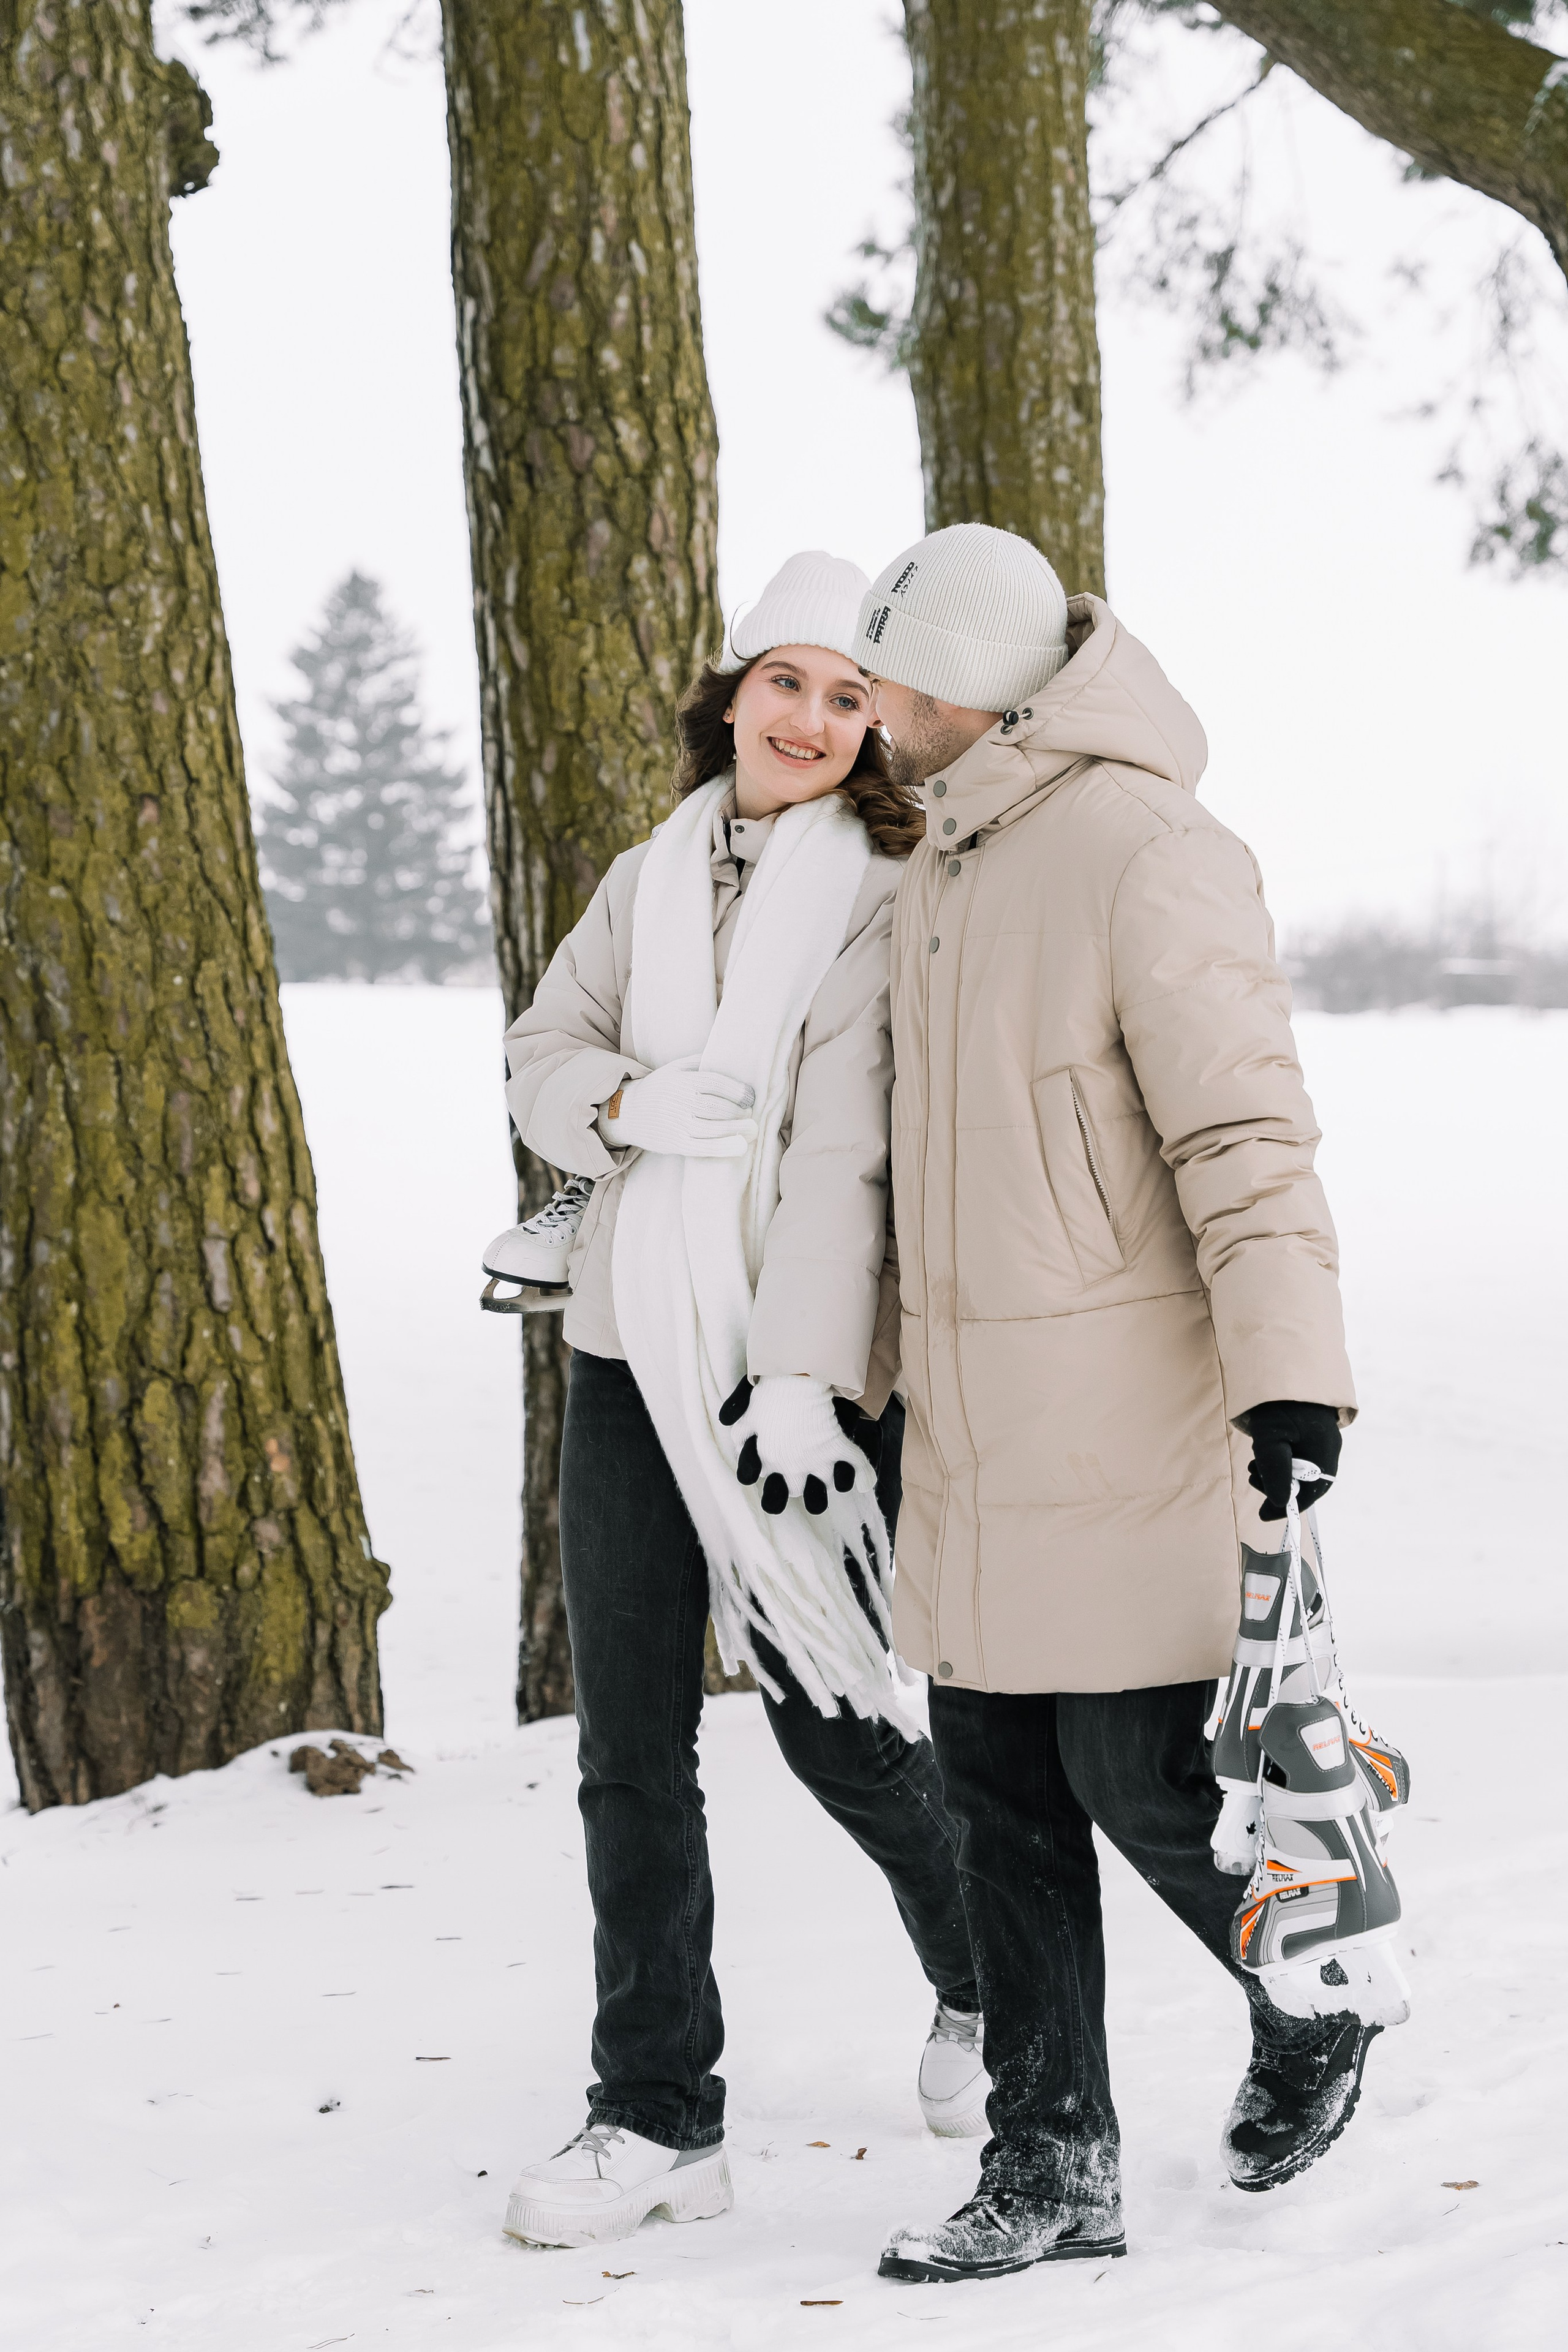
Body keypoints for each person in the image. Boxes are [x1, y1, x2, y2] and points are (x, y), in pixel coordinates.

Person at [853, 524, 1364, 2285]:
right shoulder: (944, 864)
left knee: (1140, 1773)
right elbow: (907, 1166)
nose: (877, 714)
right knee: (995, 1788)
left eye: (899, 683)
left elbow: (1244, 1130)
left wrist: (1294, 1372)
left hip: (1127, 1400)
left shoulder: (1149, 847)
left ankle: (1316, 1988)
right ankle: (1049, 2157)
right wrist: (863, 1381)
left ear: (976, 689)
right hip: (975, 1415)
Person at [493, 553, 985, 2254]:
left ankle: (982, 1976)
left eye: (851, 700)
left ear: (878, 738)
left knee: (832, 1721)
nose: (812, 718)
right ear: (733, 693)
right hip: (630, 1350)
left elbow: (851, 1159)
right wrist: (627, 1100)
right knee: (629, 1748)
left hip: (794, 1380)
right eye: (789, 681)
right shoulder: (646, 877)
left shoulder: (878, 895)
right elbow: (539, 1056)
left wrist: (798, 1381)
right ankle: (657, 2111)